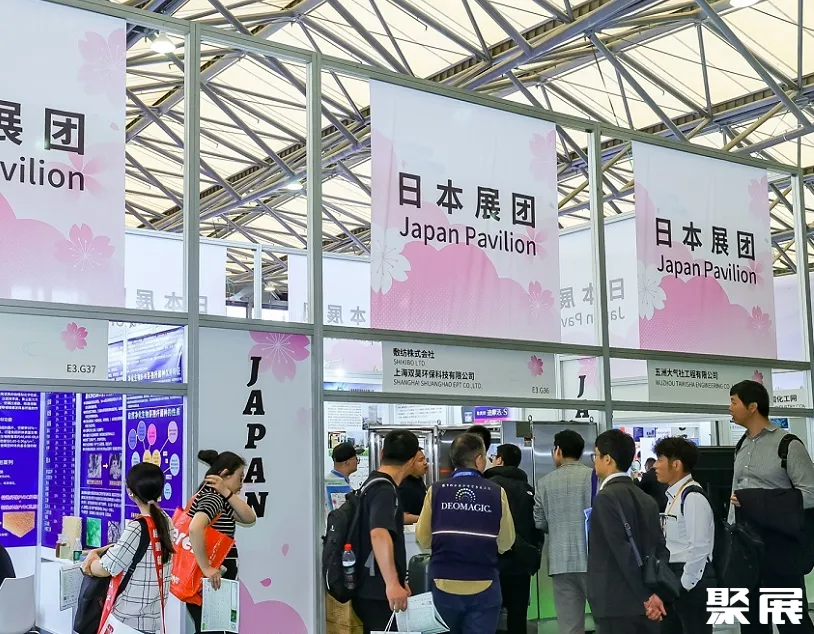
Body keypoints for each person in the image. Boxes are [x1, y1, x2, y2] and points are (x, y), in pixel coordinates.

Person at [729, 380, 814, 633]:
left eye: (734, 402)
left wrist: (758, 500)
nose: (730, 408)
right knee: (751, 623)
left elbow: (810, 494)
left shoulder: (788, 444)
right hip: (746, 549)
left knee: (791, 622)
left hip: (780, 548)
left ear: (752, 406)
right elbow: (735, 493)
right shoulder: (741, 445)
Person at [416, 433, 515, 634]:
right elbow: (507, 541)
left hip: (443, 584)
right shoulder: (496, 492)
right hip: (484, 584)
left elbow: (423, 538)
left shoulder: (436, 491)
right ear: (478, 460)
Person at [588, 429, 667, 634]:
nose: (594, 461)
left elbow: (622, 552)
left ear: (608, 459)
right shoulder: (646, 499)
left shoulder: (605, 498)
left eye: (596, 456)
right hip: (646, 603)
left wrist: (645, 597)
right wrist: (653, 595)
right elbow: (660, 548)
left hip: (615, 602)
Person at [81, 463, 174, 634]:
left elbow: (106, 568)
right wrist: (102, 551)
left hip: (129, 622)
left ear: (130, 492)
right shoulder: (166, 521)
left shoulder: (138, 527)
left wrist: (89, 564)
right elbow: (134, 549)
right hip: (151, 619)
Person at [353, 430, 420, 634]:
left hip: (370, 585)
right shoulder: (384, 490)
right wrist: (392, 583)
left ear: (382, 453)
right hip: (377, 589)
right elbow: (379, 533)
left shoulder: (372, 483)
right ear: (412, 460)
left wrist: (398, 581)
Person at [186, 450, 258, 634]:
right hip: (213, 579)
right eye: (239, 478)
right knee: (215, 629)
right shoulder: (213, 498)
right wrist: (207, 567)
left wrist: (226, 492)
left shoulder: (220, 498)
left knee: (213, 629)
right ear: (225, 474)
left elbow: (249, 517)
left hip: (214, 578)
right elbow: (195, 528)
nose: (241, 484)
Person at [652, 437, 715, 634]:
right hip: (676, 579)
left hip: (691, 581)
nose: (655, 465)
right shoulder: (675, 496)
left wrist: (685, 585)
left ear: (676, 464)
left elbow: (700, 547)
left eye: (660, 459)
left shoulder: (693, 497)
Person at [534, 429, 593, 634]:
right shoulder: (594, 478)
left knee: (569, 626)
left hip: (560, 562)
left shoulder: (544, 483)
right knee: (604, 620)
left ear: (557, 450)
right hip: (592, 560)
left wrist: (557, 528)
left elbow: (539, 521)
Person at [484, 443, 542, 634]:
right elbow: (537, 527)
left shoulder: (488, 487)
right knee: (518, 618)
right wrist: (533, 556)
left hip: (493, 564)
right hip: (521, 563)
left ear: (499, 460)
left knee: (489, 618)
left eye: (494, 457)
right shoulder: (528, 489)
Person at [325, 441, 361, 512]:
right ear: (347, 462)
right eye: (355, 458)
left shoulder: (333, 480)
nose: (357, 461)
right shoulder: (337, 484)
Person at [398, 447, 428, 525]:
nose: (425, 463)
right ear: (410, 464)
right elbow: (403, 517)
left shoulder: (418, 480)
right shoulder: (405, 486)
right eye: (420, 460)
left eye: (424, 459)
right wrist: (427, 519)